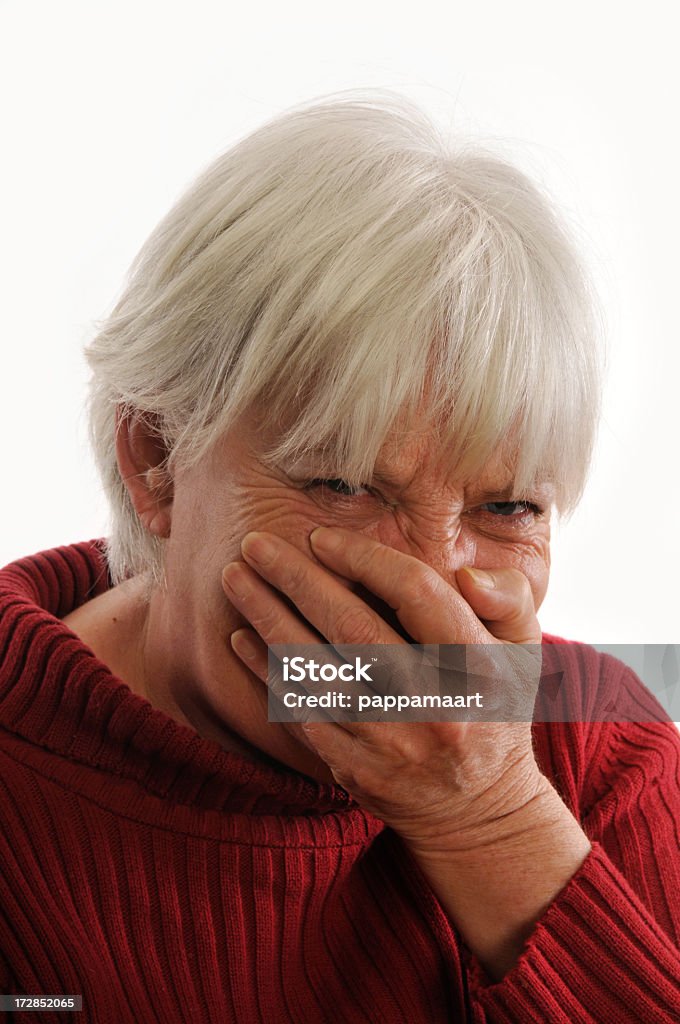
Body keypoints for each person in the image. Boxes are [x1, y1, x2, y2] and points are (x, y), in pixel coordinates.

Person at [1, 91, 678, 1024]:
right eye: (346, 486)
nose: (431, 594)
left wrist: (493, 821)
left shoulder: (607, 754)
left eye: (508, 505)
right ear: (156, 456)